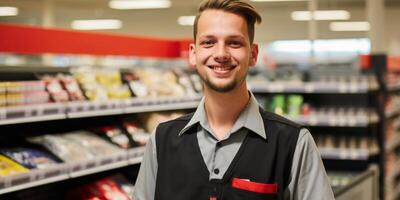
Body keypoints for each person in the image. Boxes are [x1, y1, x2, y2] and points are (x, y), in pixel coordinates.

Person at [133, 0, 335, 199]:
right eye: (208, 42)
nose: (221, 54)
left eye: (234, 43)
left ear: (253, 54)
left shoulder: (293, 143)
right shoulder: (161, 140)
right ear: (194, 54)